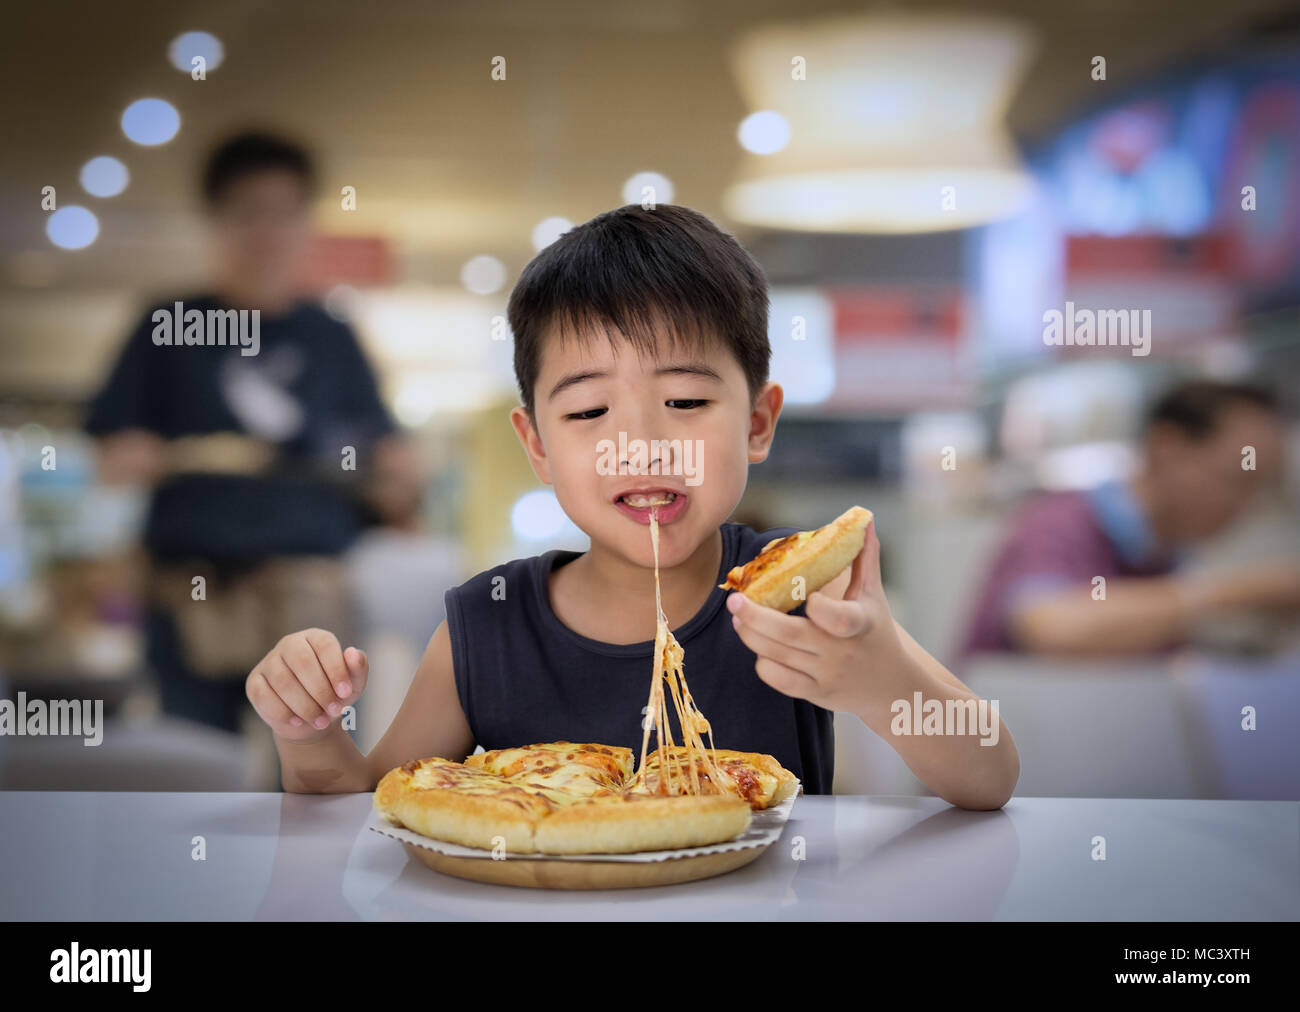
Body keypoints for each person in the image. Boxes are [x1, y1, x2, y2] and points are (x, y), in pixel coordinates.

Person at [249, 205, 1020, 810]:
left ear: (757, 422)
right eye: (588, 413)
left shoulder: (797, 589)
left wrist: (882, 676)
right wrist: (309, 730)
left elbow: (988, 776)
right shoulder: (485, 624)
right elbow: (368, 805)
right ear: (539, 445)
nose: (642, 444)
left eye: (684, 399)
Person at [85, 131, 421, 734]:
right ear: (216, 219)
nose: (266, 231)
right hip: (191, 589)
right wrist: (143, 455)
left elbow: (386, 451)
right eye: (247, 213)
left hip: (312, 593)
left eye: (283, 213)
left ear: (304, 221)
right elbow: (111, 452)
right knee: (193, 770)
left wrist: (395, 475)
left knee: (320, 778)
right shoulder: (169, 323)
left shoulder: (331, 333)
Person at [958, 380, 1299, 659]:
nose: (1244, 505)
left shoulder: (1170, 556)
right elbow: (1052, 630)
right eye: (1235, 480)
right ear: (1167, 447)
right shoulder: (1058, 523)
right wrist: (1240, 594)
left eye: (1261, 487)